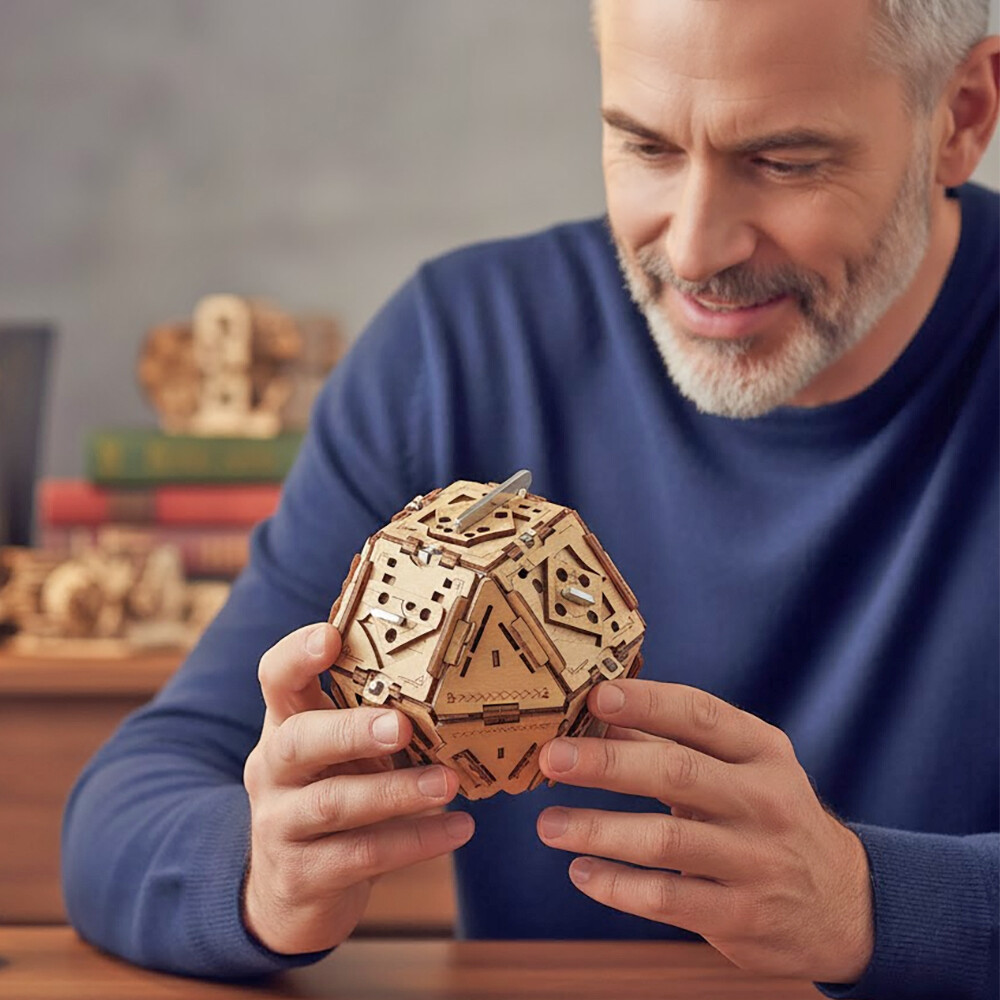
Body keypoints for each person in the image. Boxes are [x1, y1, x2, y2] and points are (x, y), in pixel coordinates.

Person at [62, 1, 999, 997]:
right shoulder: (462, 348)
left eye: (783, 161)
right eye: (644, 146)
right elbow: (126, 811)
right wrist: (263, 869)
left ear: (961, 115)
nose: (693, 251)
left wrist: (869, 902)